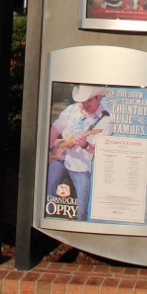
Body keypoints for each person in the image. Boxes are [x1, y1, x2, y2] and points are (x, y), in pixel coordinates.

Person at [46, 85, 113, 222]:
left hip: (81, 166)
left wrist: (85, 145)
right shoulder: (71, 109)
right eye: (82, 101)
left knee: (82, 207)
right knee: (48, 191)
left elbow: (99, 149)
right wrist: (52, 143)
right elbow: (56, 127)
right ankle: (48, 221)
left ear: (98, 98)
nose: (84, 104)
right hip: (60, 158)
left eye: (88, 100)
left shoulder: (106, 121)